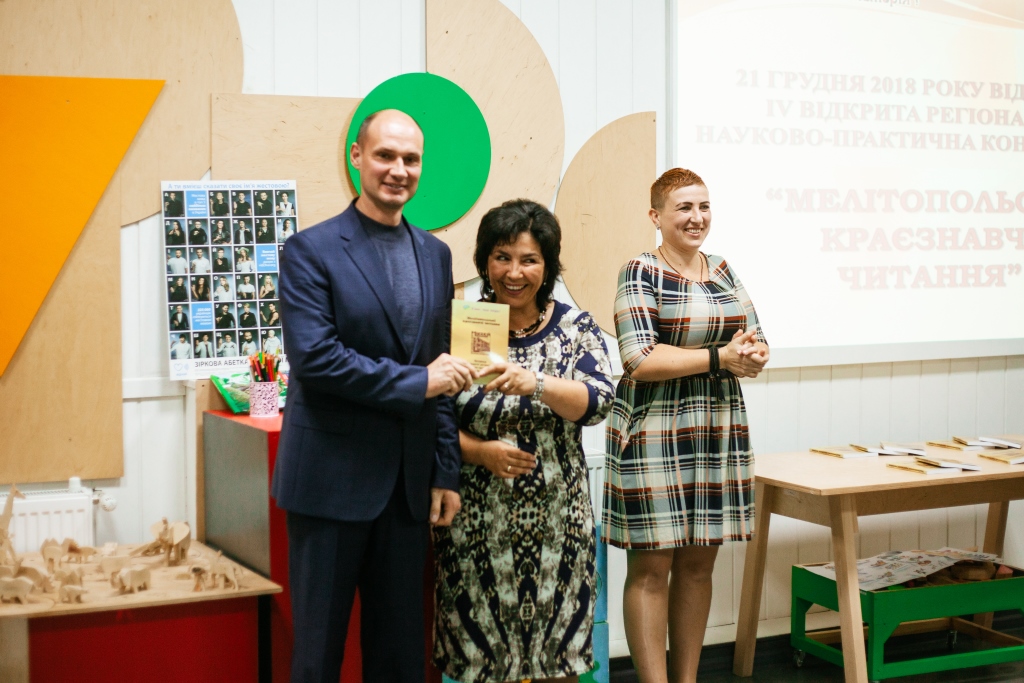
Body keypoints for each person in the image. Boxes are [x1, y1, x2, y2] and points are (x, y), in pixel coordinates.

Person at [271, 108, 474, 682]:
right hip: (329, 485)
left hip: (406, 492)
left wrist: (445, 471)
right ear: (357, 156)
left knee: (400, 659)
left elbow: (441, 370)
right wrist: (418, 382)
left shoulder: (434, 254)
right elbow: (316, 359)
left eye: (411, 159)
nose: (398, 170)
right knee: (318, 659)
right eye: (385, 155)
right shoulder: (310, 250)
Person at [432, 200, 614, 683]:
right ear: (484, 262)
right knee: (482, 663)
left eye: (529, 260)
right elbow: (428, 414)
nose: (514, 273)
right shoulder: (461, 326)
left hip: (560, 527)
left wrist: (537, 383)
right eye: (502, 257)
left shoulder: (575, 327)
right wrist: (478, 452)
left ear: (548, 266)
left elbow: (599, 401)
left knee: (559, 660)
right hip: (475, 527)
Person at [602, 168, 769, 683]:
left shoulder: (722, 269)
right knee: (652, 568)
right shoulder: (640, 271)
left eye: (704, 206)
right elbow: (639, 359)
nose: (697, 218)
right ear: (656, 216)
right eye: (684, 208)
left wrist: (754, 354)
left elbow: (755, 336)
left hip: (717, 427)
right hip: (653, 429)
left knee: (699, 566)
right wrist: (720, 357)